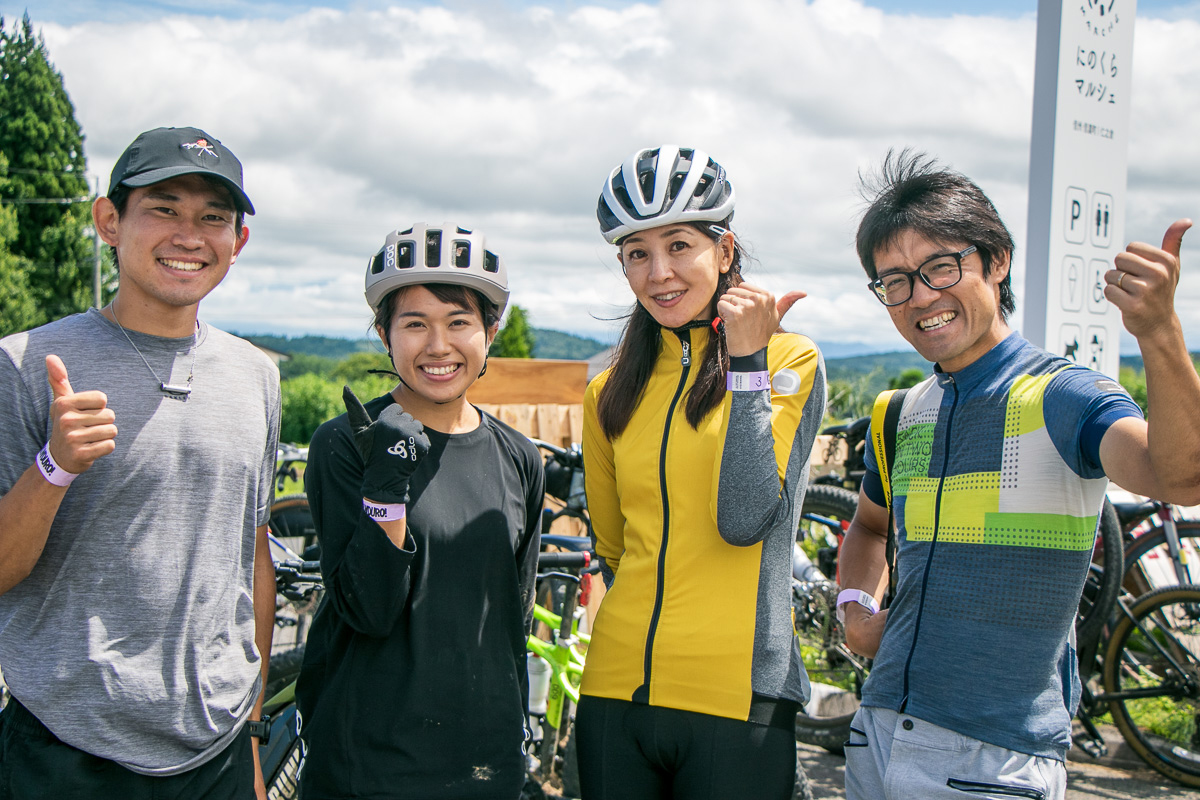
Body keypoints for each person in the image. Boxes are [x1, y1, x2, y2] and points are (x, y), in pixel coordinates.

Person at [837, 150, 1200, 800]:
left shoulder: (1064, 397)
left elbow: (1182, 476)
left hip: (995, 760)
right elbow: (868, 527)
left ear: (995, 260)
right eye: (894, 281)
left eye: (940, 267)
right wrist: (855, 607)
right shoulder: (900, 413)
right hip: (876, 733)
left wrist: (1160, 334)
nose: (920, 297)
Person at [0, 126, 280, 799]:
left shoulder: (256, 374)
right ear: (108, 220)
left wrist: (250, 727)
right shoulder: (23, 364)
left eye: (214, 218)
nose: (190, 235)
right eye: (163, 208)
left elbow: (253, 555)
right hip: (66, 752)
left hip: (214, 750)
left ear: (236, 243)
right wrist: (54, 465)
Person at [576, 145, 827, 799]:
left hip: (738, 695)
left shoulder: (789, 360)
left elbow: (745, 518)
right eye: (636, 253)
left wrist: (746, 364)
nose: (658, 272)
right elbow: (611, 545)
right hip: (614, 689)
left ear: (725, 248)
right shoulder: (607, 387)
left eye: (679, 245)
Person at [295, 223, 544, 800]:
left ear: (490, 331)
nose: (438, 346)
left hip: (484, 763)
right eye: (414, 324)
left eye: (459, 322)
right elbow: (368, 608)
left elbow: (514, 621)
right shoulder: (347, 443)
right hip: (368, 766)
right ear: (385, 334)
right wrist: (386, 487)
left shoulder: (518, 457)